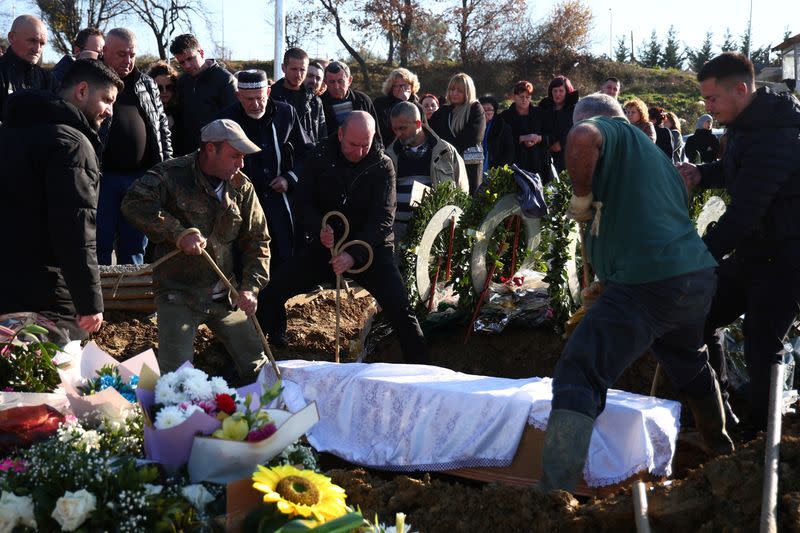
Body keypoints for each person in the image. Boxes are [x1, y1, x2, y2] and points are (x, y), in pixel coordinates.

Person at [539, 93, 732, 493]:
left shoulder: (607, 127)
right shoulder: (658, 158)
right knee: (688, 359)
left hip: (650, 284)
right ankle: (721, 448)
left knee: (580, 368)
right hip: (693, 278)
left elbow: (582, 138)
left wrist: (580, 193)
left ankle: (553, 491)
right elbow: (656, 213)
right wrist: (606, 280)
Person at [677, 52, 800, 433]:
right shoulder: (748, 124)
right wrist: (701, 173)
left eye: (711, 99)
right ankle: (720, 409)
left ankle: (760, 438)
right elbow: (738, 173)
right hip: (754, 253)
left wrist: (698, 253)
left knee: (763, 342)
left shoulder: (780, 133)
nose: (707, 107)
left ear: (741, 89)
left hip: (786, 258)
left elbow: (746, 209)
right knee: (700, 319)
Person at [258, 111, 429, 362]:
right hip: (325, 246)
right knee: (273, 290)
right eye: (353, 144)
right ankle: (252, 356)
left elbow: (382, 220)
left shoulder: (382, 164)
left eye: (365, 145)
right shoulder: (319, 156)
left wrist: (353, 254)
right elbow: (303, 203)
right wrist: (319, 229)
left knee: (400, 308)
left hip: (370, 249)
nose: (359, 152)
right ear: (340, 134)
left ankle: (424, 368)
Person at [121, 119, 271, 377]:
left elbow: (258, 241)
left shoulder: (242, 187)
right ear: (210, 150)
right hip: (179, 292)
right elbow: (134, 203)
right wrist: (178, 234)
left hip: (225, 294)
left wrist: (250, 288)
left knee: (259, 366)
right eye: (235, 155)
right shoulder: (171, 175)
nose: (241, 164)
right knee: (178, 376)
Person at [0, 60, 122, 343]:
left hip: (6, 288)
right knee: (49, 380)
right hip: (48, 297)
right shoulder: (72, 145)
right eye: (106, 99)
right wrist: (90, 303)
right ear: (81, 91)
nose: (110, 111)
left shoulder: (9, 134)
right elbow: (75, 230)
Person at [218, 69, 312, 344]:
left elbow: (308, 152)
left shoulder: (286, 113)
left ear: (268, 92)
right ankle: (244, 333)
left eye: (259, 97)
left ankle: (277, 328)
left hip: (278, 203)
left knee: (279, 263)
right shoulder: (228, 119)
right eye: (248, 99)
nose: (255, 104)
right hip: (241, 203)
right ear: (238, 96)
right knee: (242, 262)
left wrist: (290, 178)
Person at [98, 28, 172, 266]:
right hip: (102, 180)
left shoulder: (147, 84)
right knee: (100, 245)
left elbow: (162, 129)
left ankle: (132, 300)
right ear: (104, 51)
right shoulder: (92, 80)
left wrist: (165, 170)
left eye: (132, 55)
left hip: (141, 180)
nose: (128, 61)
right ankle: (99, 302)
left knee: (135, 248)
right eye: (121, 54)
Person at [385, 101, 468, 236]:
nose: (398, 134)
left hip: (434, 232)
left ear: (418, 124)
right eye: (395, 129)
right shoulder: (389, 155)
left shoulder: (446, 152)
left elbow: (462, 191)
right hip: (397, 231)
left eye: (402, 128)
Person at [170, 33, 237, 155]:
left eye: (190, 58)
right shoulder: (182, 81)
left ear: (201, 53)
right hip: (188, 154)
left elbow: (234, 121)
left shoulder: (225, 79)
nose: (187, 66)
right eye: (182, 62)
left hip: (217, 153)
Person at [429, 73, 486, 194]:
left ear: (468, 92)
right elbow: (431, 131)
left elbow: (474, 136)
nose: (454, 93)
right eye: (452, 89)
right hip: (446, 165)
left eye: (459, 90)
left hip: (469, 165)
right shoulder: (444, 111)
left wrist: (449, 149)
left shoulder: (475, 108)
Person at [270, 48, 327, 144]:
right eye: (294, 69)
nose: (298, 74)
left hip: (309, 156)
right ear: (283, 68)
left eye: (302, 70)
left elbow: (322, 136)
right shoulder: (271, 97)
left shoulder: (314, 101)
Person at [320, 60, 382, 145]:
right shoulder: (319, 103)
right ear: (326, 82)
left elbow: (375, 134)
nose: (336, 86)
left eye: (340, 81)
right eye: (332, 82)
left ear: (349, 80)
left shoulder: (362, 100)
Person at [0, 15, 53, 115]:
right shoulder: (2, 73)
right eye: (32, 40)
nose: (37, 49)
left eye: (42, 43)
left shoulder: (47, 79)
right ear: (11, 37)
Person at [497, 80, 548, 179]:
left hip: (538, 164)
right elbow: (500, 140)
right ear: (514, 97)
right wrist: (521, 138)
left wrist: (538, 138)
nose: (524, 100)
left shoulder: (540, 114)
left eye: (527, 97)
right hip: (514, 163)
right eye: (521, 97)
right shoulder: (505, 117)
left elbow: (549, 135)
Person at [373, 68, 426, 145]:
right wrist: (401, 101)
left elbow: (422, 131)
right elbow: (384, 127)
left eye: (404, 85)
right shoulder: (381, 103)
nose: (400, 89)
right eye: (395, 86)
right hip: (387, 147)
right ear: (391, 88)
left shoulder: (419, 107)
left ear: (411, 86)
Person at [539, 75, 579, 173]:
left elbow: (577, 129)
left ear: (567, 92)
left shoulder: (575, 109)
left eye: (561, 91)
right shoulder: (544, 106)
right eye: (555, 91)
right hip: (546, 151)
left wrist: (562, 143)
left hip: (568, 154)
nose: (557, 94)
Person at [478, 96, 514, 173]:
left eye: (489, 109)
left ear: (494, 111)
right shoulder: (473, 126)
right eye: (483, 109)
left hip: (495, 168)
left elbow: (509, 149)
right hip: (475, 165)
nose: (485, 112)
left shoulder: (502, 126)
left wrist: (502, 167)